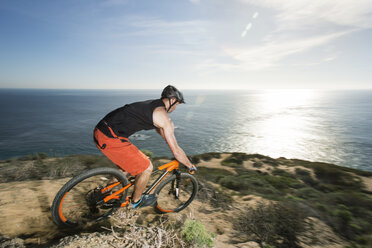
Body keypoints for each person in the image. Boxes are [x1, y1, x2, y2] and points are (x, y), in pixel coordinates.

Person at [93, 85, 196, 209]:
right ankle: (136, 201)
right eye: (177, 104)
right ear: (172, 100)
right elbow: (176, 151)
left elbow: (162, 133)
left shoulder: (153, 105)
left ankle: (103, 193)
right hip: (110, 137)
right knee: (147, 168)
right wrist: (189, 165)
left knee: (129, 166)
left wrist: (170, 138)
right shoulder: (162, 116)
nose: (175, 108)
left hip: (101, 131)